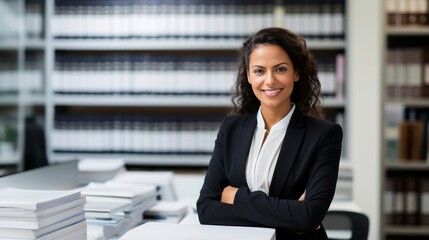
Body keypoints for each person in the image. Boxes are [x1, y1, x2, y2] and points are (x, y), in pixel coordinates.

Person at [196, 27, 343, 240]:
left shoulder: (323, 135)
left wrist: (235, 195)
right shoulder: (231, 129)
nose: (270, 80)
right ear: (248, 75)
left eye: (280, 69)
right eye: (259, 71)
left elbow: (309, 216)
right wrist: (289, 213)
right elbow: (206, 209)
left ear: (297, 73)